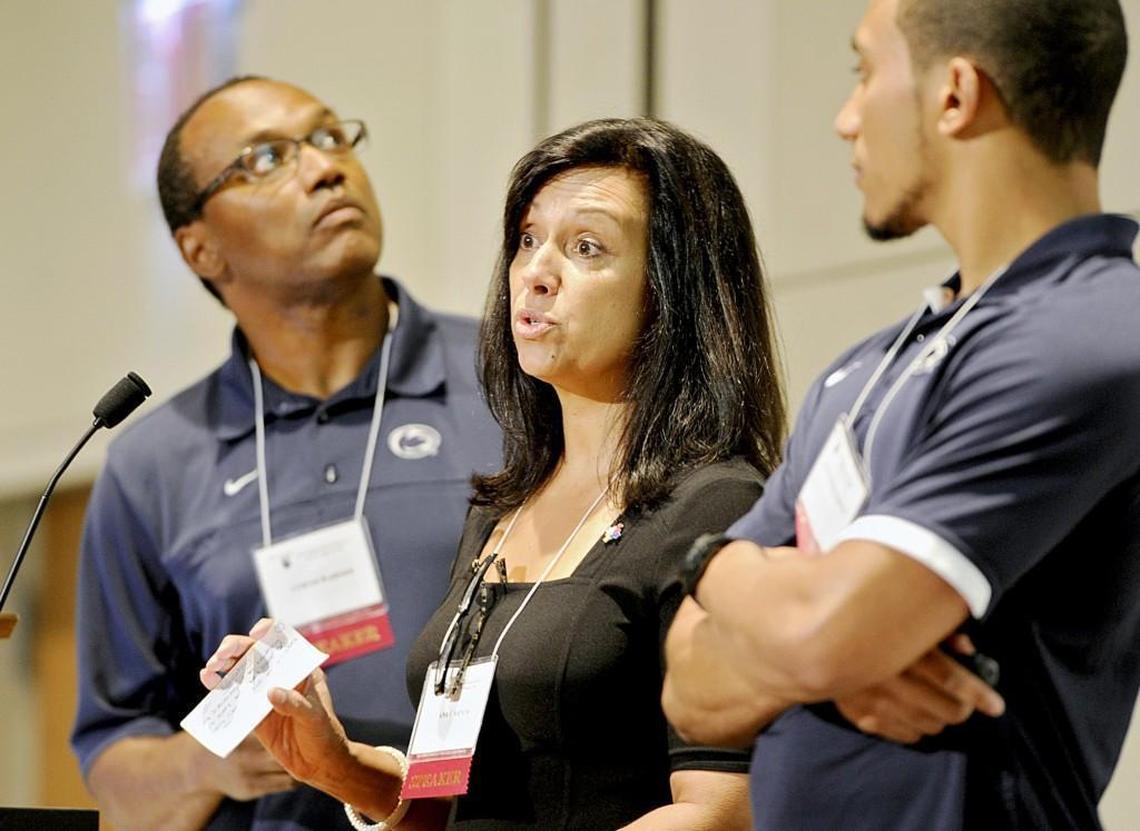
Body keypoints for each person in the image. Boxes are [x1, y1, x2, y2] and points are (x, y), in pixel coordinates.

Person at [201, 117, 787, 829]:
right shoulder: (500, 511)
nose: (536, 272)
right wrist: (340, 764)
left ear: (673, 291)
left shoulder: (716, 503)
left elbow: (724, 809)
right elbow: (452, 803)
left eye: (586, 247)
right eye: (529, 239)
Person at [662, 0, 1140, 828]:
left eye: (863, 70)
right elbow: (688, 688)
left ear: (954, 93)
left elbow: (817, 628)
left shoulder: (1092, 329)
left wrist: (735, 584)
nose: (847, 119)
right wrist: (822, 648)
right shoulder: (862, 368)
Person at [70, 76, 501, 830]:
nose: (326, 166)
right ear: (199, 247)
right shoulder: (153, 465)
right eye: (267, 157)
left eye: (333, 136)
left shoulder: (511, 381)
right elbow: (116, 770)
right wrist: (209, 760)